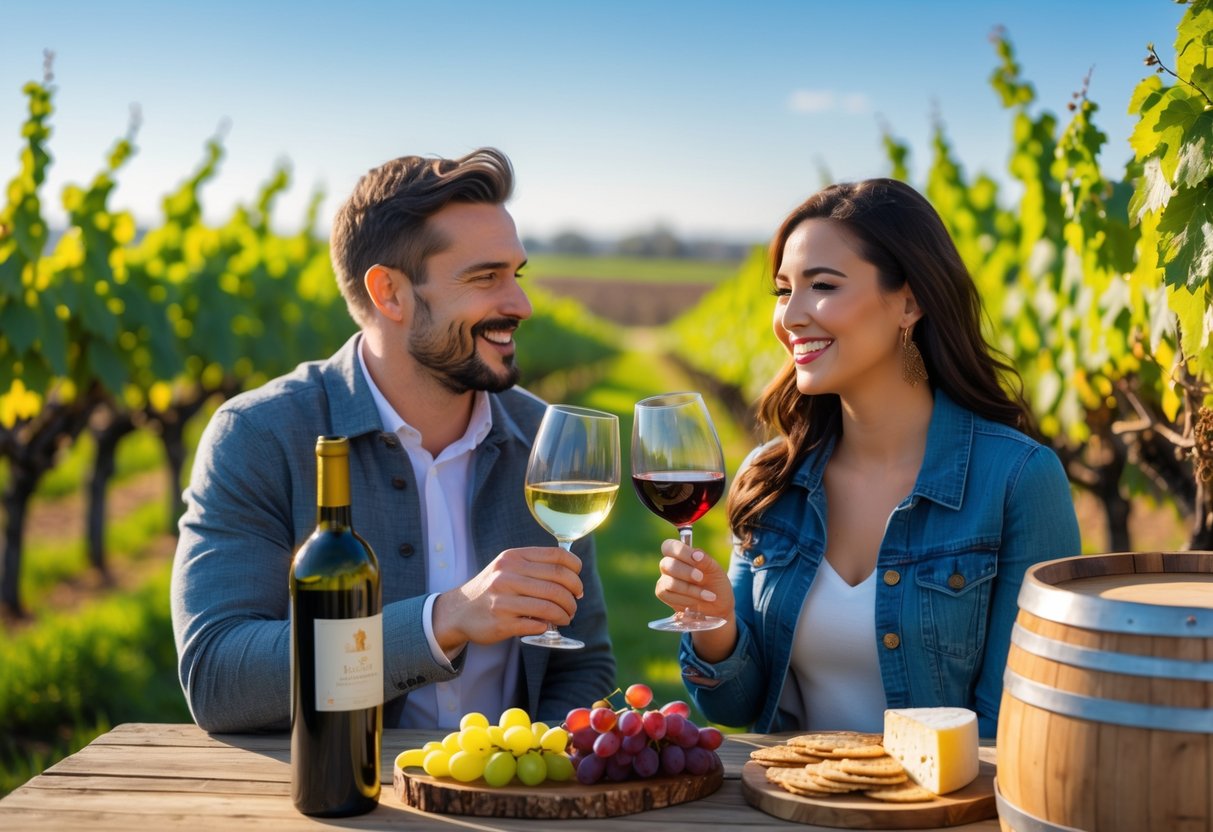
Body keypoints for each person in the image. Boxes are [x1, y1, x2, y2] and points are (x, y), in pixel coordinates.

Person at [171, 148, 615, 733]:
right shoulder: (259, 437)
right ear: (391, 294)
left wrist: (538, 771)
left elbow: (583, 660)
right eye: (486, 277)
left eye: (517, 275)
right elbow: (219, 676)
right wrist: (443, 620)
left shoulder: (544, 439)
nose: (521, 304)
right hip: (340, 807)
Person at [654, 178, 1080, 738]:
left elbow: (1017, 726)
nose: (791, 317)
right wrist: (716, 622)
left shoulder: (1018, 481)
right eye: (784, 291)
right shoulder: (770, 478)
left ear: (909, 301)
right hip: (793, 809)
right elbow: (735, 708)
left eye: (822, 286)